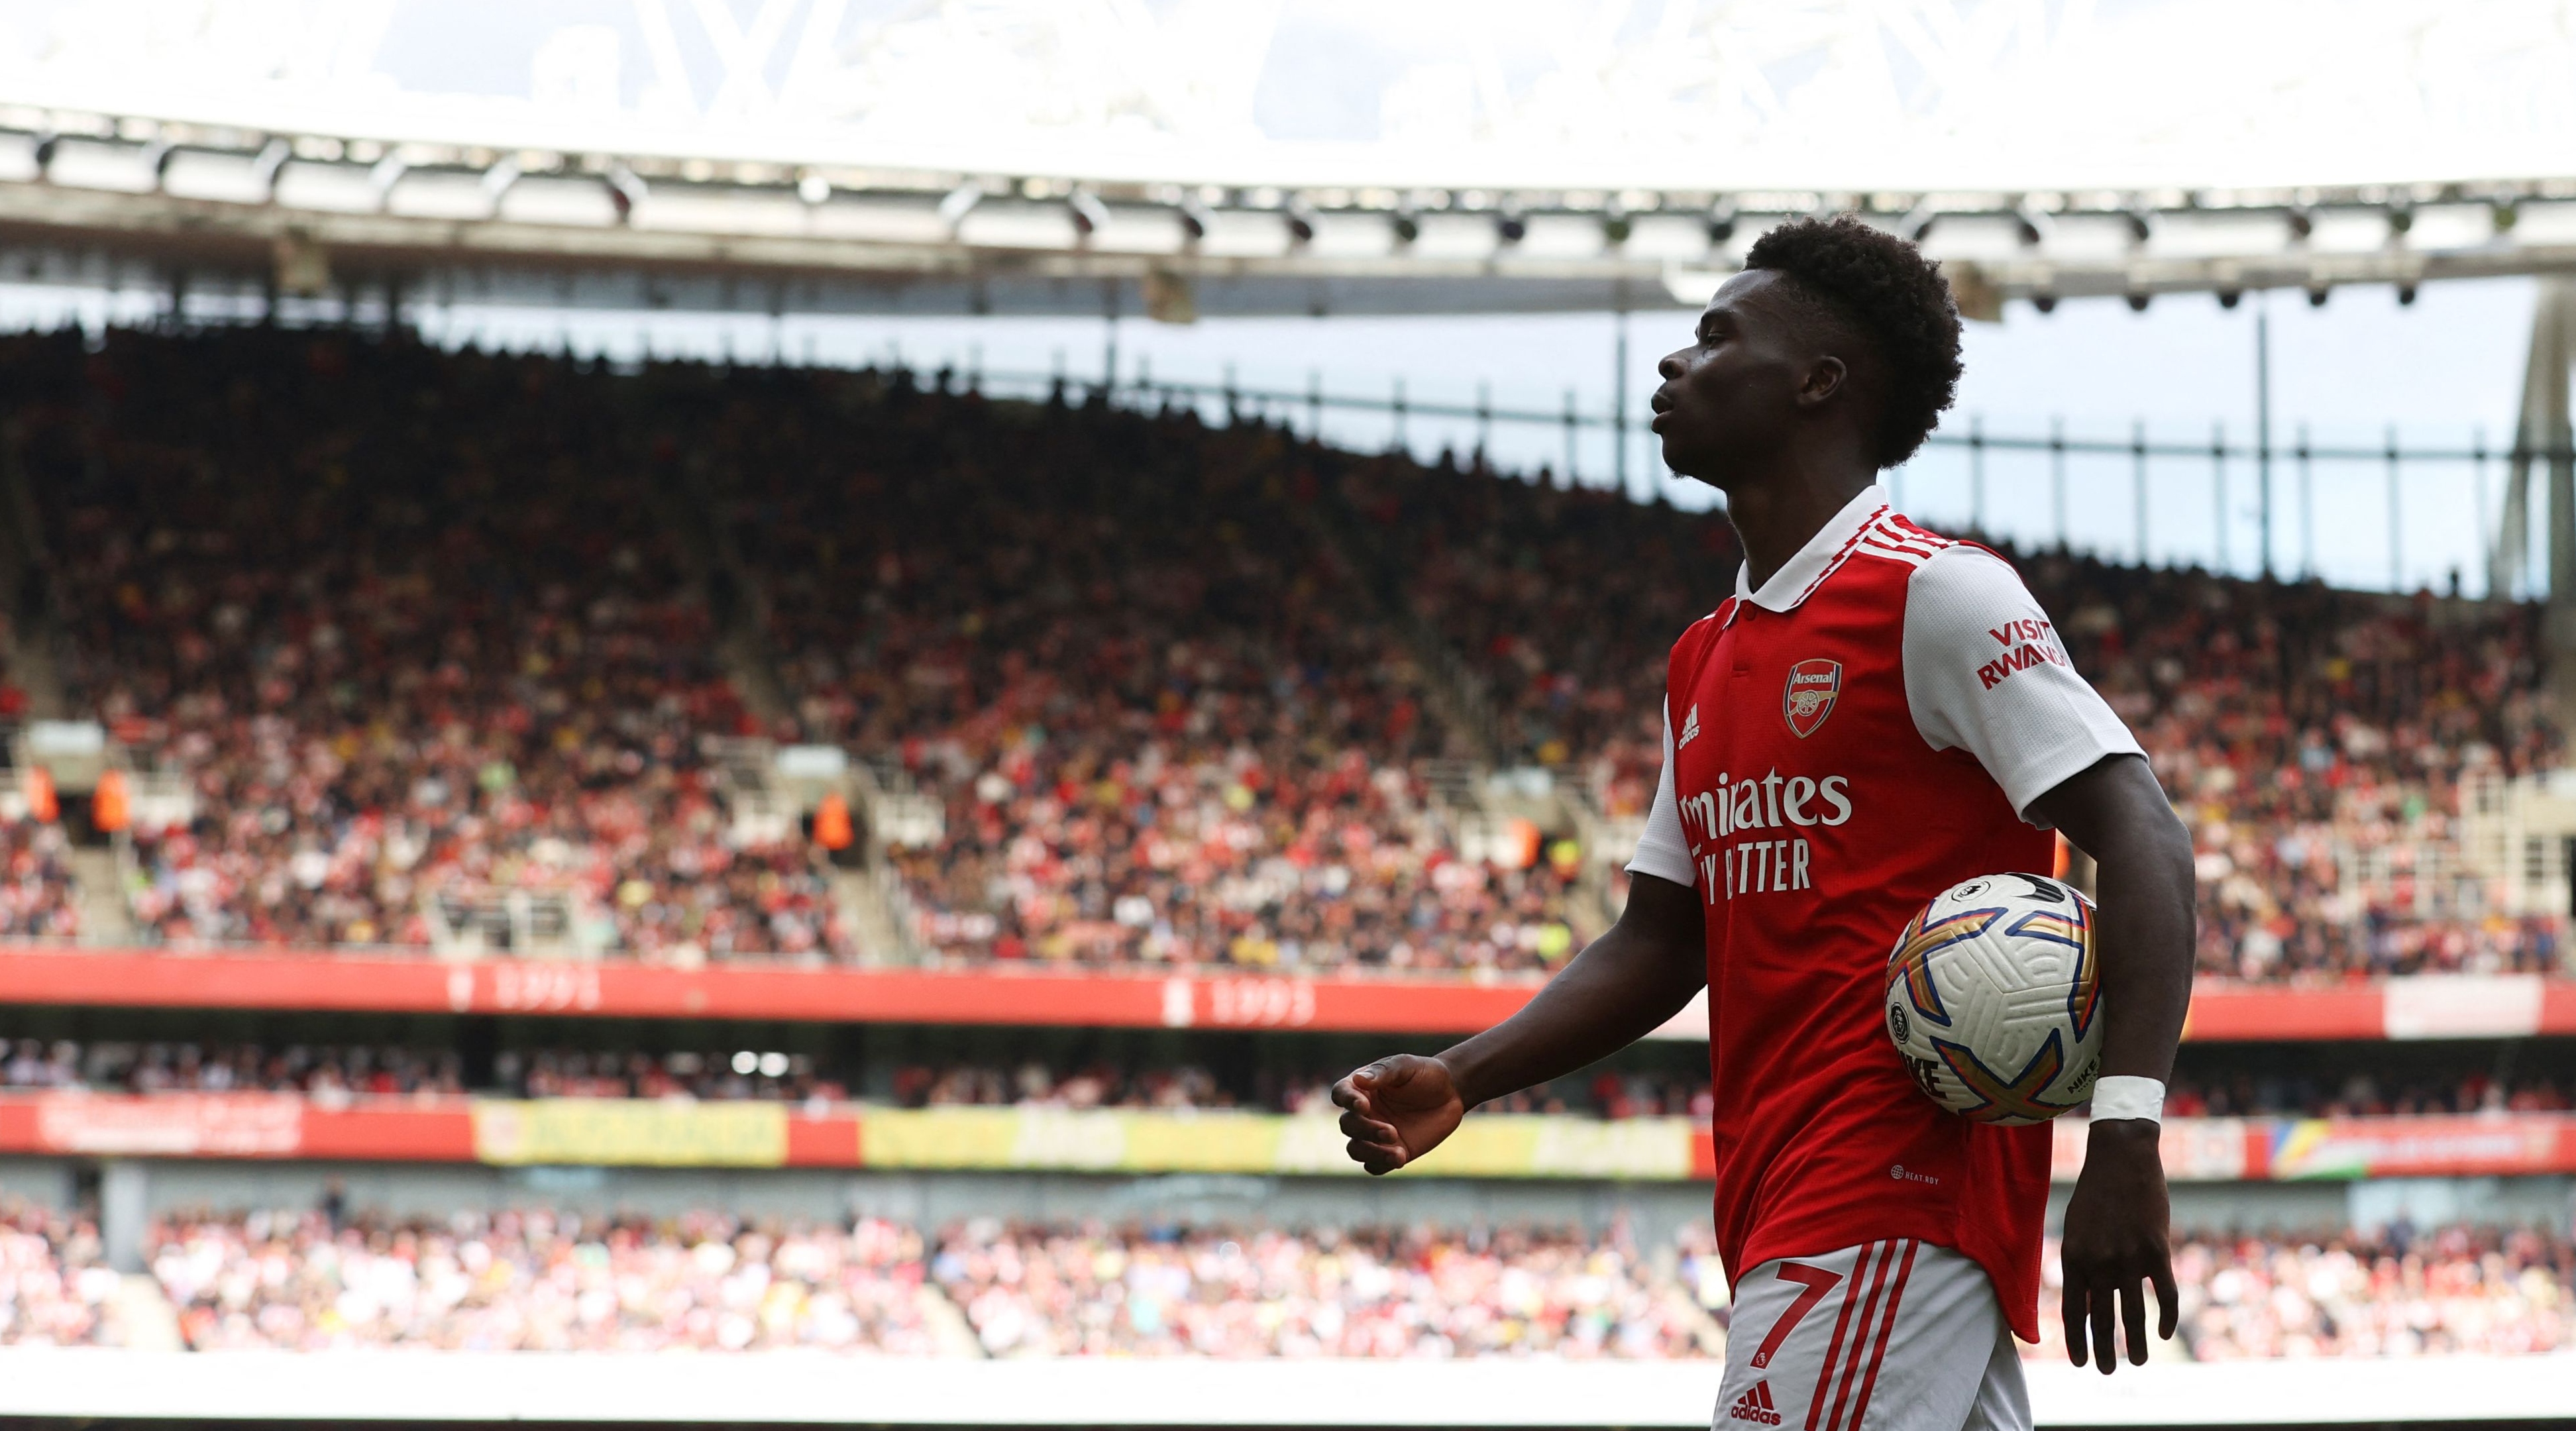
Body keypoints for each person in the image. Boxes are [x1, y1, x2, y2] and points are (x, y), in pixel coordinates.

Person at [1332, 216, 2194, 1430]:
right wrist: (1467, 1076)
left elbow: (2143, 832)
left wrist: (2125, 1137)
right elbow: (1658, 940)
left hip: (1887, 1197)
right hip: (1781, 1203)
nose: (1675, 366)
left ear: (1818, 382)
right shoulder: (1707, 658)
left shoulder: (1936, 594)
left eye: (1715, 338)